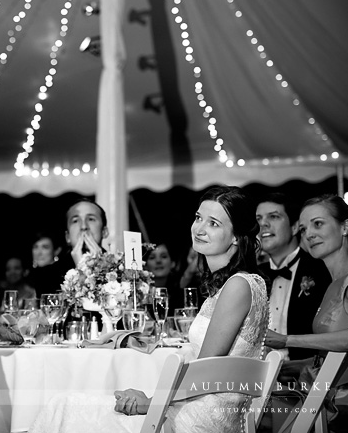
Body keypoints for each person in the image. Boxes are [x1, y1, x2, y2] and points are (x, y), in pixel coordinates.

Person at [29, 185, 269, 433]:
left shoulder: (238, 285)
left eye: (214, 224)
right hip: (194, 407)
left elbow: (204, 371)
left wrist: (150, 402)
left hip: (196, 420)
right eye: (198, 218)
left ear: (237, 236)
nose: (199, 229)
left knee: (63, 405)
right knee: (67, 404)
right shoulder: (235, 284)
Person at [265, 194, 348, 433]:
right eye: (303, 228)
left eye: (318, 224)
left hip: (340, 405)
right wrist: (291, 365)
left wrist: (287, 340)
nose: (308, 234)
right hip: (328, 392)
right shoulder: (334, 283)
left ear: (345, 226)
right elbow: (340, 356)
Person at [256, 193, 331, 361]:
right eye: (258, 218)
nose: (263, 224)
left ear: (295, 227)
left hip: (305, 377)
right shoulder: (254, 276)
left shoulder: (321, 270)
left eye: (273, 217)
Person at [29, 199, 109, 297]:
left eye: (91, 219)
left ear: (104, 232)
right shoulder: (47, 275)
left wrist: (96, 266)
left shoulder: (120, 270)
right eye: (75, 221)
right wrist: (82, 269)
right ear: (67, 237)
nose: (84, 226)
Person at [144, 243, 184, 312]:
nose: (158, 261)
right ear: (145, 265)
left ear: (172, 263)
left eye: (163, 256)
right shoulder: (141, 295)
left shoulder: (181, 295)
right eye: (152, 257)